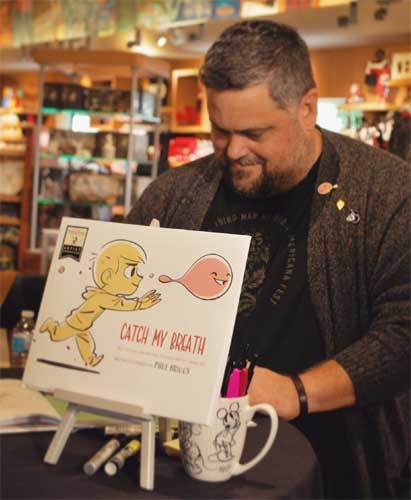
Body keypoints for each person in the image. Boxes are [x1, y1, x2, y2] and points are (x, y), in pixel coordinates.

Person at [127, 20, 409, 498]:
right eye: (220, 130)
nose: (234, 150)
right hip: (180, 464)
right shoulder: (176, 193)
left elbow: (403, 334)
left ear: (307, 108)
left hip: (335, 467)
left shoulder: (386, 192)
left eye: (254, 132)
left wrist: (296, 392)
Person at [40, 240, 161, 366]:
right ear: (108, 277)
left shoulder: (104, 295)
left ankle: (90, 359)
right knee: (57, 336)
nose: (139, 277)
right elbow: (121, 304)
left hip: (83, 324)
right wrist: (140, 304)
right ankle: (51, 325)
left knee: (84, 341)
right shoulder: (103, 298)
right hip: (76, 322)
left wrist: (140, 303)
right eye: (131, 272)